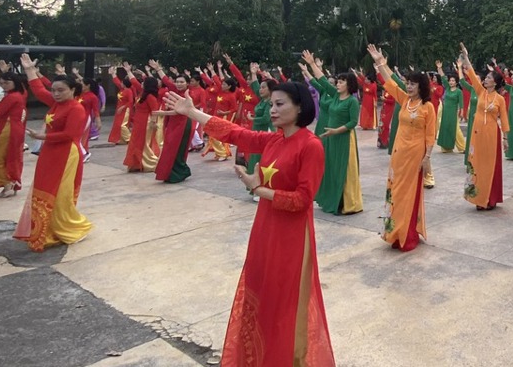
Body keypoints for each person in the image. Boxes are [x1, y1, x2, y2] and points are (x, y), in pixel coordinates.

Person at [162, 82, 335, 366]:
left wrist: (260, 190)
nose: (272, 108)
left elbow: (303, 200)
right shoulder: (273, 140)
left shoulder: (311, 146)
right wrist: (193, 113)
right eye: (272, 103)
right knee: (262, 294)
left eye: (280, 104)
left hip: (291, 238)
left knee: (284, 302)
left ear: (300, 106)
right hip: (264, 229)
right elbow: (234, 133)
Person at [14, 54, 93, 252]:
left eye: (61, 90)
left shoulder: (76, 109)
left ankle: (69, 227)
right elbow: (39, 89)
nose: (56, 94)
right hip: (50, 152)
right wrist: (30, 70)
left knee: (60, 194)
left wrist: (42, 138)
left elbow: (70, 134)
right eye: (54, 90)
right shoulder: (57, 103)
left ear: (73, 90)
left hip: (66, 154)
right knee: (44, 188)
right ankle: (45, 229)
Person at [368, 44, 435, 251]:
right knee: (395, 191)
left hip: (415, 155)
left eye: (413, 84)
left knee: (408, 193)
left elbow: (431, 135)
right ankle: (394, 231)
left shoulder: (427, 107)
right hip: (398, 153)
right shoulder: (405, 101)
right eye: (408, 83)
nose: (409, 87)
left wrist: (427, 157)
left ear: (421, 87)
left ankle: (407, 233)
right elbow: (389, 82)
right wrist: (380, 62)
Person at [302, 51, 364, 216]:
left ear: (349, 84)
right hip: (331, 138)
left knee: (344, 170)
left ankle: (348, 203)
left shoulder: (352, 101)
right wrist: (312, 64)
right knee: (331, 169)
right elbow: (321, 79)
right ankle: (333, 199)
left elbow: (352, 122)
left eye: (341, 82)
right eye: (338, 81)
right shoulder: (335, 96)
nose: (338, 84)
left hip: (344, 138)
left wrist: (337, 130)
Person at [460, 44, 510, 210]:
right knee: (476, 163)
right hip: (477, 133)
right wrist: (466, 56)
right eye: (486, 77)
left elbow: (504, 119)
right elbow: (472, 73)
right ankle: (477, 196)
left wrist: (505, 138)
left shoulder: (500, 99)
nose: (485, 79)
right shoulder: (481, 92)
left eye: (489, 78)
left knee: (489, 166)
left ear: (494, 83)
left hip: (491, 135)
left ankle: (489, 198)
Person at [153, 73, 194, 184]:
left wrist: (163, 112)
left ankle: (180, 172)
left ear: (188, 83)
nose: (179, 84)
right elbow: (166, 81)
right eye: (177, 82)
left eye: (182, 82)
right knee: (169, 148)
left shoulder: (189, 95)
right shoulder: (175, 91)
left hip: (183, 124)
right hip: (172, 123)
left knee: (177, 149)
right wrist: (158, 69)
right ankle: (169, 173)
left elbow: (179, 112)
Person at [123, 76, 161, 173]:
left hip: (146, 122)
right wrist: (128, 71)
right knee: (136, 142)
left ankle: (152, 163)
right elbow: (134, 81)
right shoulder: (142, 94)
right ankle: (136, 164)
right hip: (138, 122)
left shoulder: (150, 97)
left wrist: (153, 123)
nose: (141, 83)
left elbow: (154, 110)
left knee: (143, 143)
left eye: (144, 82)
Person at [435, 61, 465, 153]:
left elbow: (461, 103)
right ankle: (446, 148)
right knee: (445, 128)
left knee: (456, 129)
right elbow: (443, 78)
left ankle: (462, 147)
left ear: (456, 82)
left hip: (453, 112)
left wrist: (461, 112)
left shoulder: (458, 92)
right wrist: (439, 68)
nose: (451, 82)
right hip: (445, 112)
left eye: (453, 81)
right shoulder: (447, 88)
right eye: (450, 81)